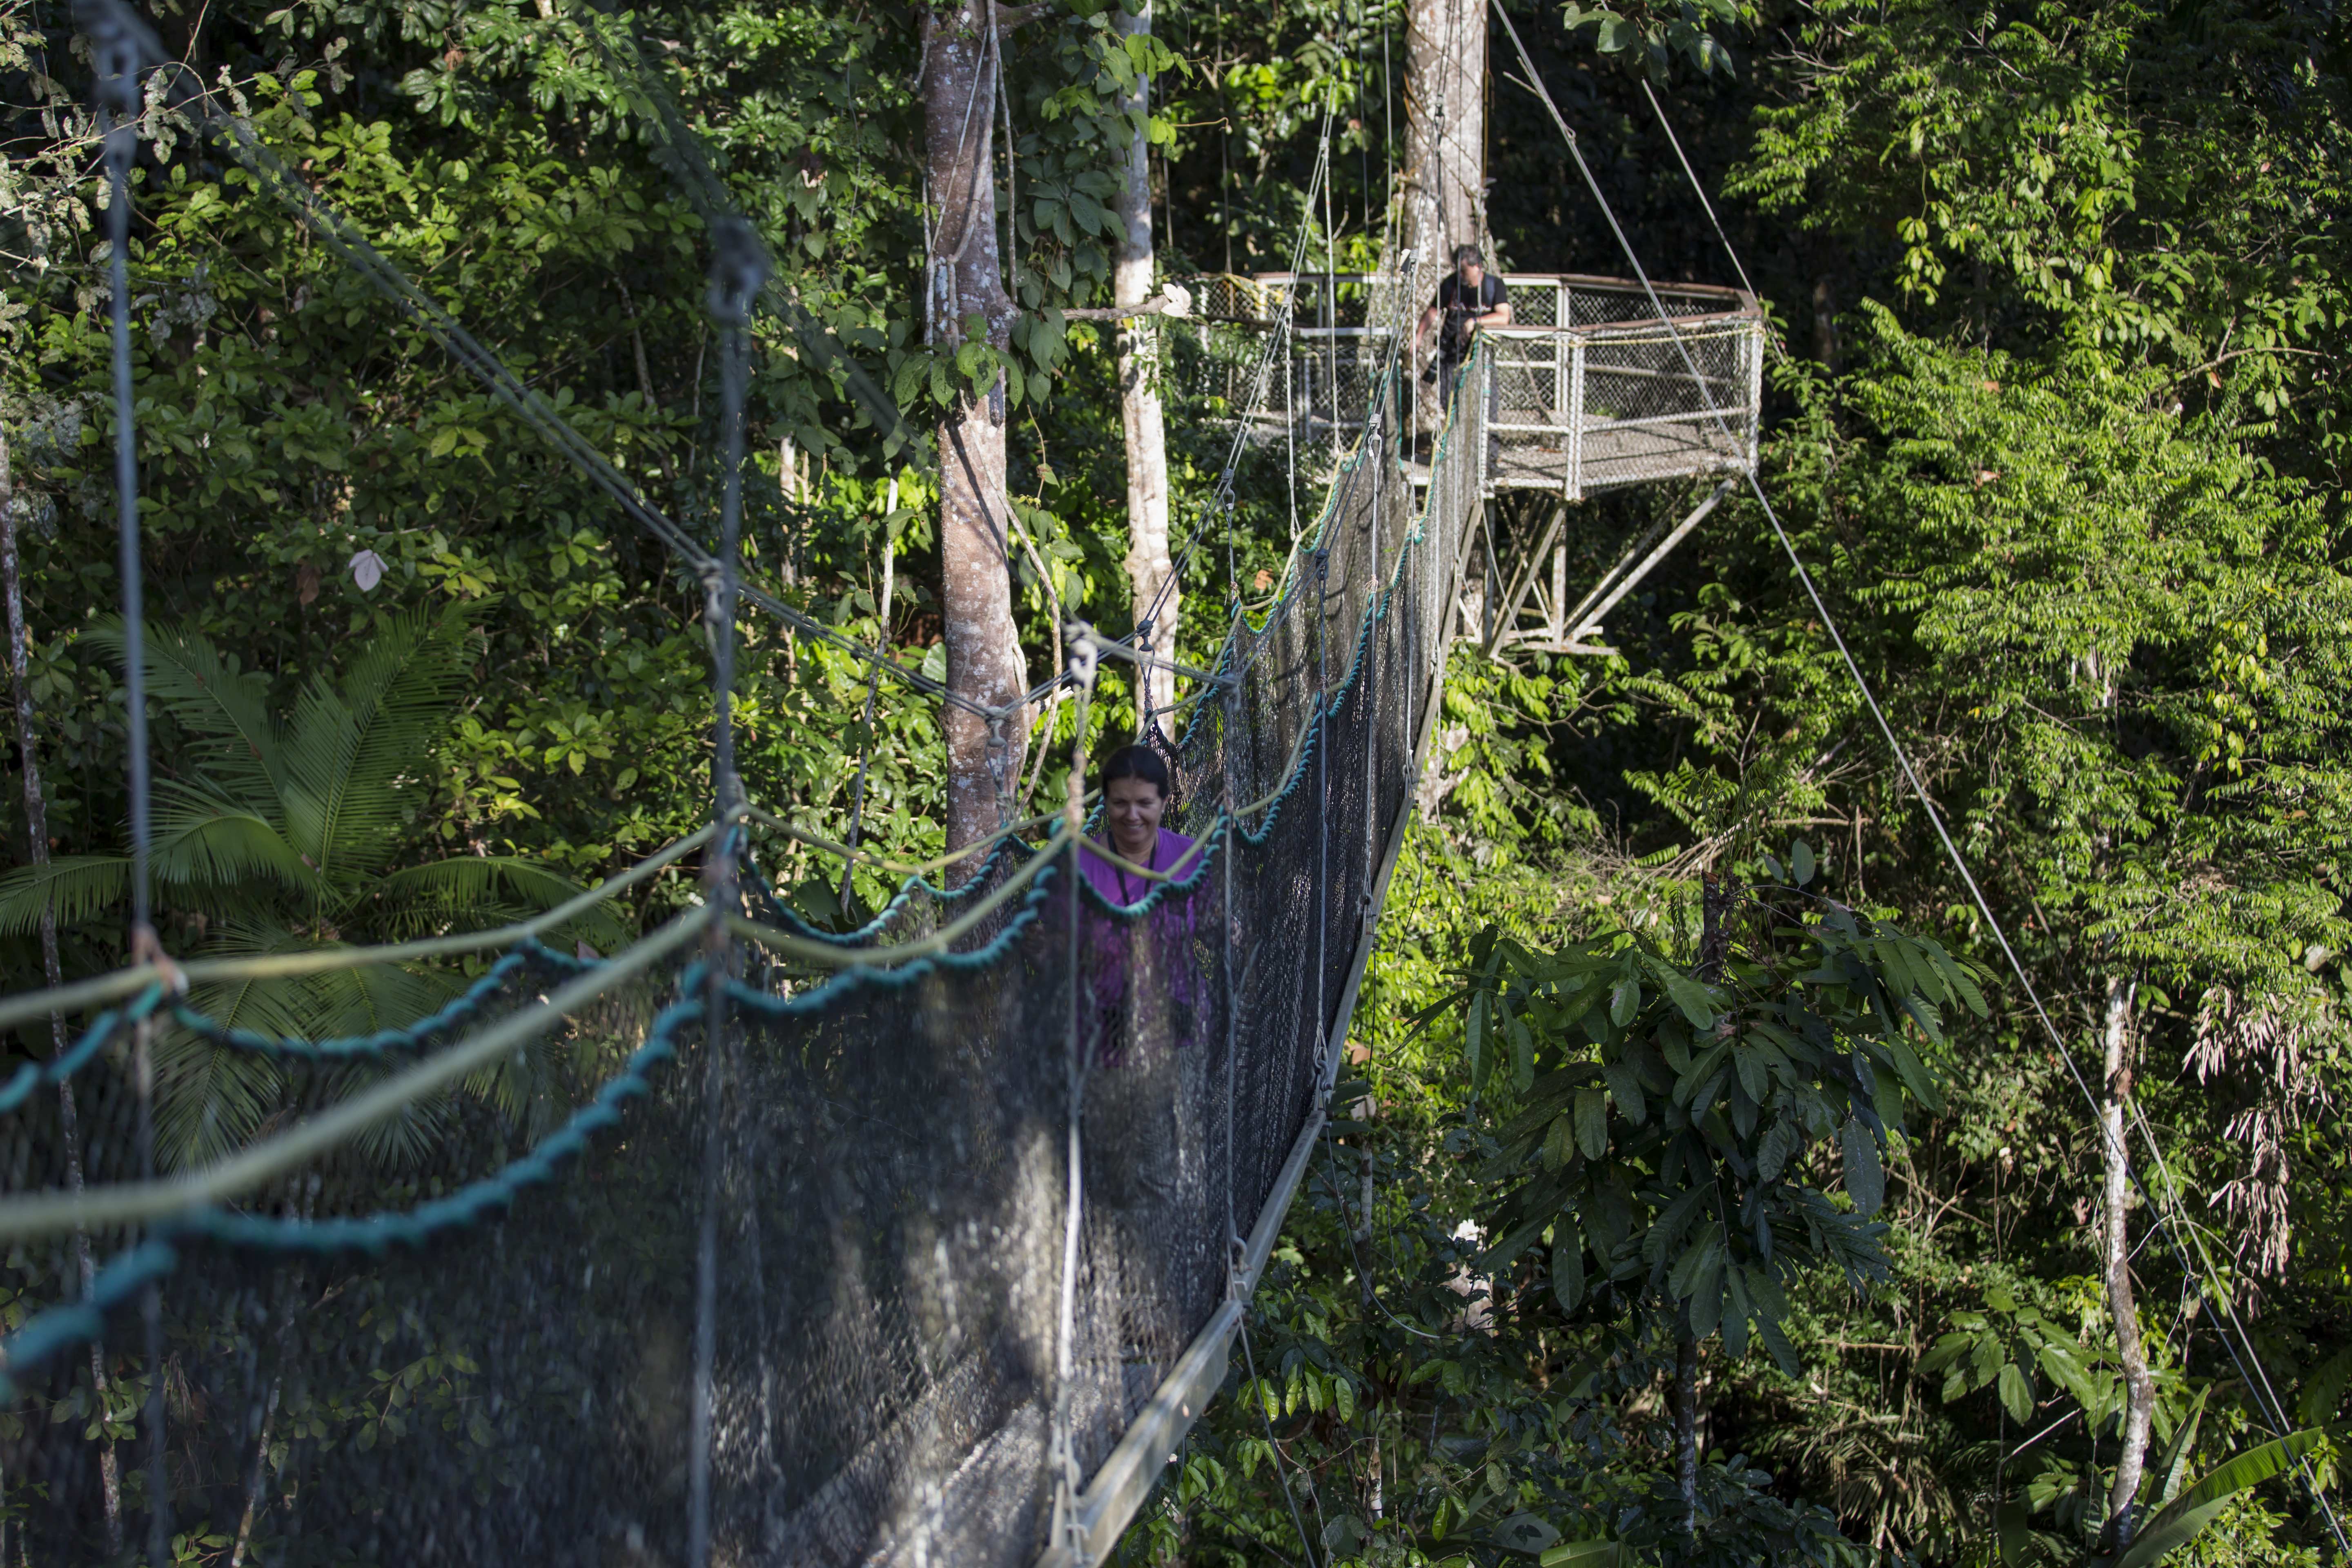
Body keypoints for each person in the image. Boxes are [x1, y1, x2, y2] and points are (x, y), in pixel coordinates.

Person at [1078, 744, 1201, 907]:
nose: (1132, 816)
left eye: (1145, 803)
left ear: (1164, 803)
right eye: (1120, 803)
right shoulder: (1077, 867)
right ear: (1106, 803)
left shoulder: (1190, 857)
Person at [1414, 244, 1512, 413]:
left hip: (1480, 356)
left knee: (1487, 405)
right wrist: (1418, 337)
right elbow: (1432, 311)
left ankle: (1489, 440)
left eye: (1464, 271)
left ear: (1477, 267)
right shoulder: (1451, 284)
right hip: (1451, 354)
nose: (1461, 275)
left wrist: (1475, 322)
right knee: (1450, 405)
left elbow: (1504, 316)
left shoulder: (1494, 285)